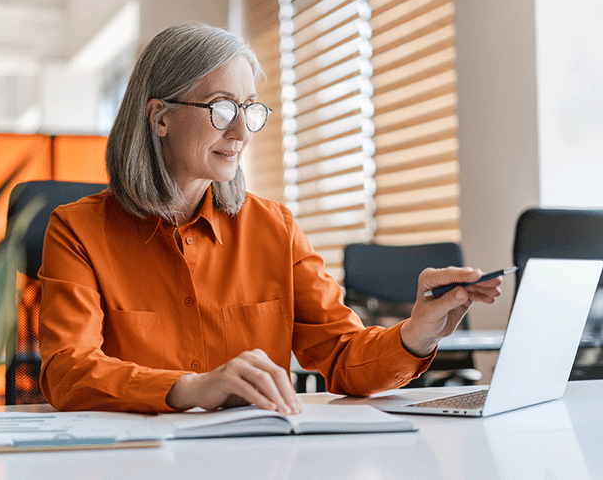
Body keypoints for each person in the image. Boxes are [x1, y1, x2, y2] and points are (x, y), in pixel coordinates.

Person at [38, 24, 502, 415]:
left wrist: (416, 332)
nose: (240, 132)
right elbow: (67, 370)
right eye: (221, 108)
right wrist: (190, 388)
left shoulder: (274, 228)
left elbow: (342, 355)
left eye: (248, 109)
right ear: (160, 118)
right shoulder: (77, 231)